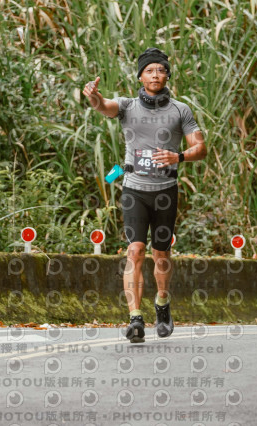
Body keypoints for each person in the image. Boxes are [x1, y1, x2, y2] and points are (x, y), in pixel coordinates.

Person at [82, 48, 207, 342]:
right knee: (135, 250)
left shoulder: (180, 110)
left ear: (167, 76)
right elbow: (104, 106)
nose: (155, 75)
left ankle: (162, 302)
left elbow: (200, 148)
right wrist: (93, 97)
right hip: (134, 190)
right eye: (149, 70)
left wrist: (178, 157)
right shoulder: (127, 106)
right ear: (140, 76)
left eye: (160, 70)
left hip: (165, 191)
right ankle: (135, 318)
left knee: (161, 254)